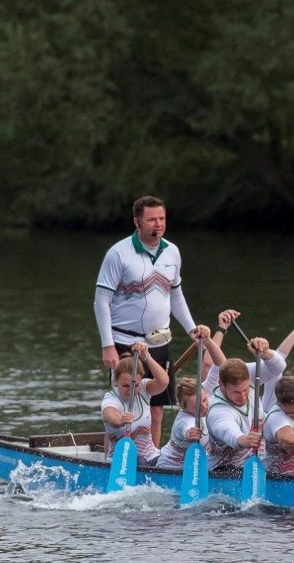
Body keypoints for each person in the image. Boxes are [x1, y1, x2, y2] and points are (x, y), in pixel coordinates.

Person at [94, 195, 198, 447]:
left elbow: (176, 294)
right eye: (151, 220)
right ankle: (115, 456)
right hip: (123, 340)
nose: (158, 224)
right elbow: (101, 301)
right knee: (123, 405)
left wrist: (192, 329)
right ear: (137, 221)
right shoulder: (118, 254)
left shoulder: (172, 251)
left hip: (159, 339)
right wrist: (107, 345)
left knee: (157, 408)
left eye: (161, 219)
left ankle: (152, 458)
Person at [205, 337, 285, 470]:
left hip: (255, 463)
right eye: (236, 392)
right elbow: (226, 430)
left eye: (245, 390)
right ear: (222, 385)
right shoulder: (217, 410)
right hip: (224, 470)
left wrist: (266, 353)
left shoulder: (247, 374)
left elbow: (278, 368)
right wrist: (243, 440)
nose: (242, 396)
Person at [156, 326, 228, 470]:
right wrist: (190, 433)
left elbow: (222, 365)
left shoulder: (205, 390)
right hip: (170, 469)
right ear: (183, 406)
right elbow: (186, 429)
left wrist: (208, 341)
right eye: (196, 407)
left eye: (204, 400)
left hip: (197, 466)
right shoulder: (184, 421)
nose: (204, 407)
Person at [101, 342, 170, 466]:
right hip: (121, 460)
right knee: (140, 461)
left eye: (135, 385)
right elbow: (110, 416)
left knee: (172, 461)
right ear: (116, 382)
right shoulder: (111, 398)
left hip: (151, 456)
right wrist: (121, 420)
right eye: (125, 386)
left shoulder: (144, 389)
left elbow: (164, 382)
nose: (131, 390)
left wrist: (146, 357)